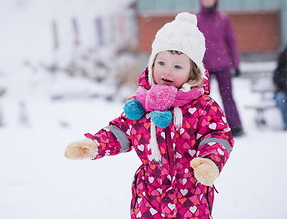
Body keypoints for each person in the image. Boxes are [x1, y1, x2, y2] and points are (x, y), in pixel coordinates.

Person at [64, 12, 234, 219]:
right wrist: (94, 145)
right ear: (152, 64)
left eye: (177, 66)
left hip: (192, 196)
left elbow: (218, 136)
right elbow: (120, 132)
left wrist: (209, 161)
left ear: (193, 72)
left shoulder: (203, 107)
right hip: (149, 196)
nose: (167, 71)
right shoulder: (143, 105)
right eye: (161, 63)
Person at [197, 0, 244, 137]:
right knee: (202, 98)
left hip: (223, 64)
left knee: (227, 96)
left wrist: (236, 64)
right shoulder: (196, 19)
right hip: (204, 66)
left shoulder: (223, 18)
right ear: (201, 0)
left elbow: (231, 41)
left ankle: (235, 126)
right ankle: (203, 127)